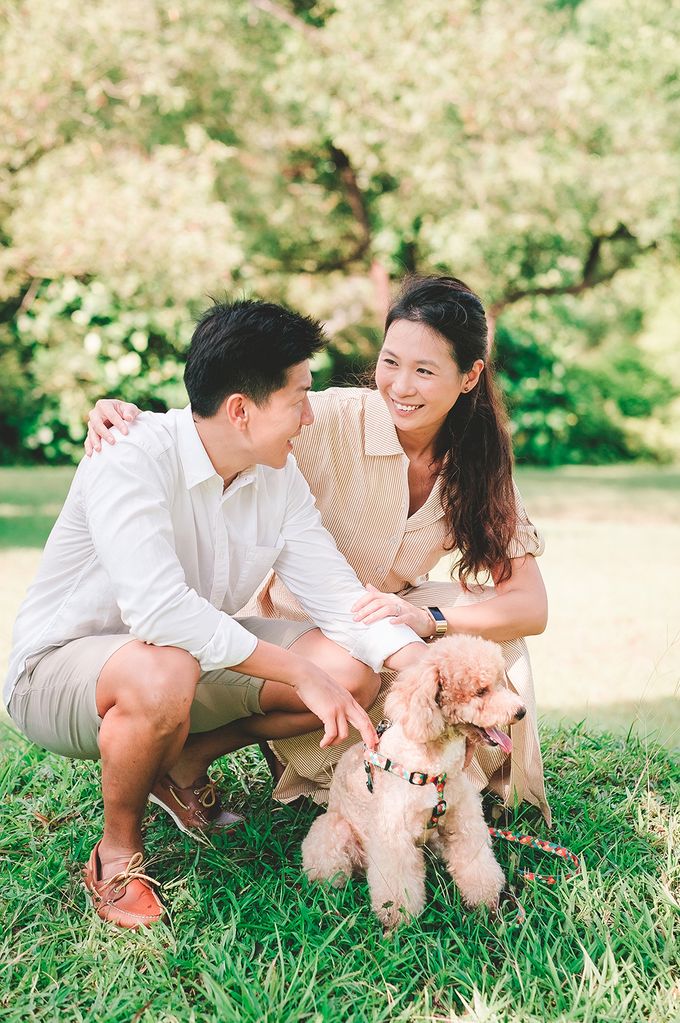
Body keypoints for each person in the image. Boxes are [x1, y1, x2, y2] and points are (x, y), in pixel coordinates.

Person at [5, 299, 427, 930]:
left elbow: (338, 594)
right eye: (298, 399)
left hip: (184, 662)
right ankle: (117, 852)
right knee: (166, 667)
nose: (308, 418)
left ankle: (180, 761)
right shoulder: (130, 454)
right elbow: (159, 613)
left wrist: (419, 662)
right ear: (240, 409)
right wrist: (296, 673)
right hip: (59, 674)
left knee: (349, 668)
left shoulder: (273, 477)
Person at [85, 275, 551, 825]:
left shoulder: (479, 459)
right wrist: (128, 419)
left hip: (384, 618)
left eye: (425, 371)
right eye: (390, 361)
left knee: (487, 639)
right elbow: (227, 417)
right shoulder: (322, 419)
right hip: (304, 620)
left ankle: (434, 777)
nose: (400, 385)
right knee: (371, 670)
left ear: (470, 376)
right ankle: (350, 768)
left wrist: (429, 620)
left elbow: (531, 607)